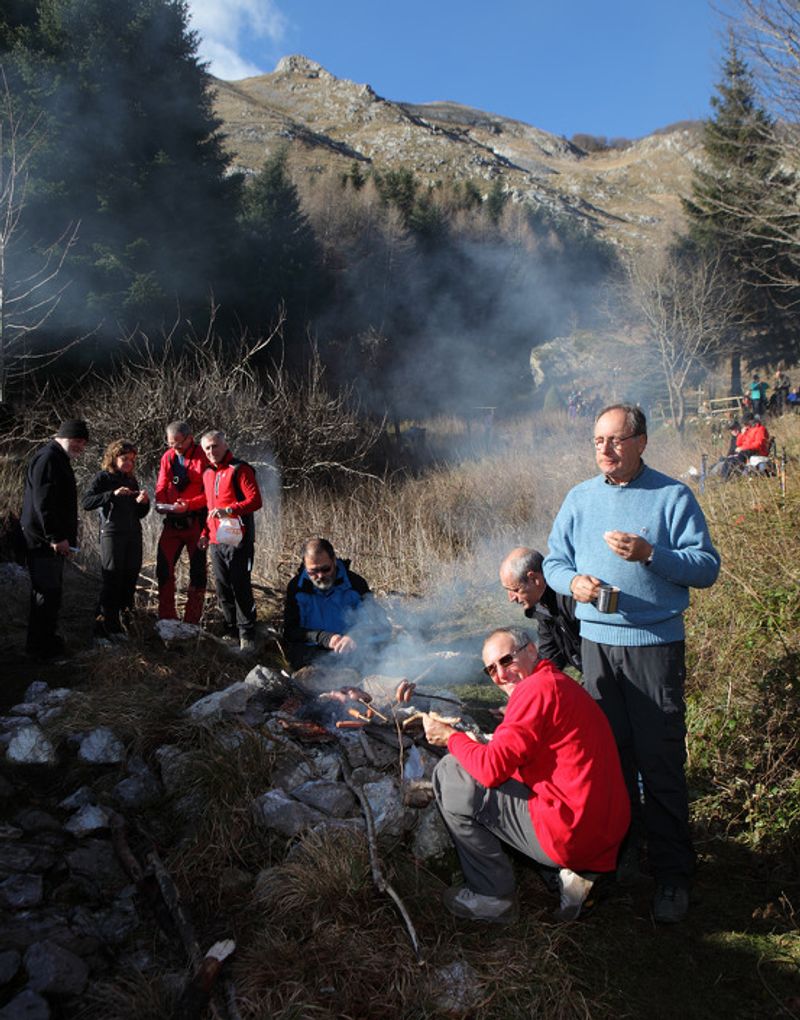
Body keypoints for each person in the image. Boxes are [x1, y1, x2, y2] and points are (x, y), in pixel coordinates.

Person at [543, 404, 720, 923]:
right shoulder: (579, 498)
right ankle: (621, 857)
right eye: (598, 440)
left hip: (654, 646)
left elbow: (706, 568)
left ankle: (672, 875)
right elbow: (554, 561)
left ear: (641, 442)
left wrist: (650, 554)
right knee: (610, 760)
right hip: (597, 646)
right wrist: (572, 584)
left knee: (659, 760)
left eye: (616, 440)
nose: (605, 449)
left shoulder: (672, 495)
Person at [422, 627, 630, 924]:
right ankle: (572, 877)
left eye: (506, 661)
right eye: (491, 670)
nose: (500, 675)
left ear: (531, 651)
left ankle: (492, 897)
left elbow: (492, 770)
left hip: (573, 832)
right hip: (605, 828)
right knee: (481, 758)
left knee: (451, 771)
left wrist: (451, 738)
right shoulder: (556, 684)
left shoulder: (535, 691)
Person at [20, 419, 89, 658]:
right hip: (43, 541)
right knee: (46, 594)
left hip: (48, 541)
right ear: (65, 436)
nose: (81, 446)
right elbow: (44, 502)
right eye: (78, 440)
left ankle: (46, 642)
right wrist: (56, 536)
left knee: (51, 593)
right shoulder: (49, 458)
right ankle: (40, 650)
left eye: (84, 442)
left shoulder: (57, 457)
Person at [197, 430, 262, 654]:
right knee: (223, 588)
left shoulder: (240, 469)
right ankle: (231, 630)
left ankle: (247, 635)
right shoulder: (206, 473)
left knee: (240, 585)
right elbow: (208, 508)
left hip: (239, 539)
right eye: (207, 448)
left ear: (225, 445)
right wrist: (204, 533)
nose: (211, 451)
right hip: (216, 540)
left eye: (215, 446)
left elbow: (255, 500)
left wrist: (229, 510)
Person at [283, 537, 391, 669]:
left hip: (351, 651)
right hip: (314, 654)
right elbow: (290, 630)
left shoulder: (355, 583)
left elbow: (378, 622)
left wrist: (355, 636)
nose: (320, 576)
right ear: (305, 566)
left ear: (334, 560)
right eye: (313, 572)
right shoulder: (296, 588)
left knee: (376, 653)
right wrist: (324, 638)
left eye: (325, 569)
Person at [82, 439, 150, 641]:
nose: (129, 463)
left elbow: (139, 514)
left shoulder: (131, 480)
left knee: (130, 579)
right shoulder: (103, 478)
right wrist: (111, 494)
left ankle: (122, 625)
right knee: (112, 580)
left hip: (133, 535)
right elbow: (86, 502)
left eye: (132, 459)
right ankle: (102, 629)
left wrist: (144, 503)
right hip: (111, 534)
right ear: (113, 458)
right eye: (124, 458)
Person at [154, 421, 209, 624]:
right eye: (170, 443)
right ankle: (167, 617)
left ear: (189, 438)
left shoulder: (203, 457)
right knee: (164, 568)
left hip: (195, 522)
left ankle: (192, 620)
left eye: (178, 443)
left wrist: (189, 505)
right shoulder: (167, 457)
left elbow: (209, 495)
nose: (174, 447)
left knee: (197, 571)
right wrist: (161, 503)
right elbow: (161, 484)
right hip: (171, 522)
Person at [499, 546, 582, 672]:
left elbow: (598, 655)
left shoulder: (571, 598)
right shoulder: (543, 609)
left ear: (534, 579)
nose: (511, 598)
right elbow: (549, 660)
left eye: (515, 590)